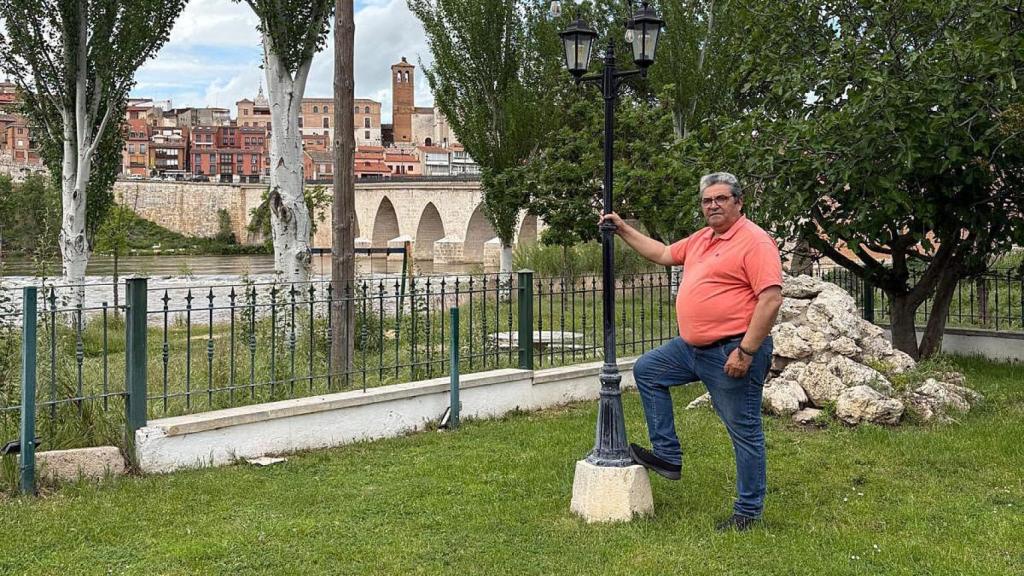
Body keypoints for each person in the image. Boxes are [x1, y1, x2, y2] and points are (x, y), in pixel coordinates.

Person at [599, 172, 783, 532]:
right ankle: (667, 456)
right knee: (649, 370)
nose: (712, 205)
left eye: (721, 199)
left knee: (743, 431)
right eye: (706, 201)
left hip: (732, 350)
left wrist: (746, 351)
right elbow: (665, 253)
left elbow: (771, 298)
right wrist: (622, 229)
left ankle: (748, 510)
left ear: (738, 202)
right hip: (692, 348)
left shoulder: (754, 242)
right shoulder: (703, 239)